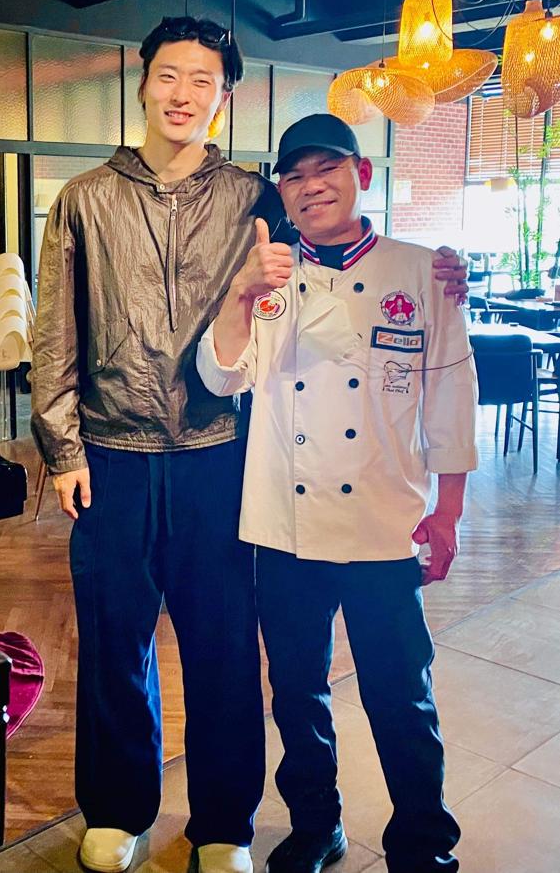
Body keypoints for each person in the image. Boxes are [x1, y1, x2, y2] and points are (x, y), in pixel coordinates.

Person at [29, 16, 469, 873]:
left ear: (222, 97)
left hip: (220, 454)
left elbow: (335, 248)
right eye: (168, 75)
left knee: (225, 651)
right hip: (113, 453)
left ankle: (224, 824)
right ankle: (117, 810)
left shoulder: (251, 196)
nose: (181, 93)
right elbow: (54, 329)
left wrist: (436, 268)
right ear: (142, 83)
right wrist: (62, 446)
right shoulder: (84, 197)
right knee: (113, 645)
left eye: (201, 80)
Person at [197, 113, 476, 873]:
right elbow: (220, 378)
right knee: (296, 691)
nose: (310, 186)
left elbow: (450, 397)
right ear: (281, 192)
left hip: (386, 522)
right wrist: (239, 294)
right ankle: (316, 824)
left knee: (402, 694)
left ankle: (423, 844)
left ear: (362, 173)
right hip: (286, 528)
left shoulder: (423, 271)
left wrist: (448, 511)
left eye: (326, 169)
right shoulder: (266, 277)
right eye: (294, 175)